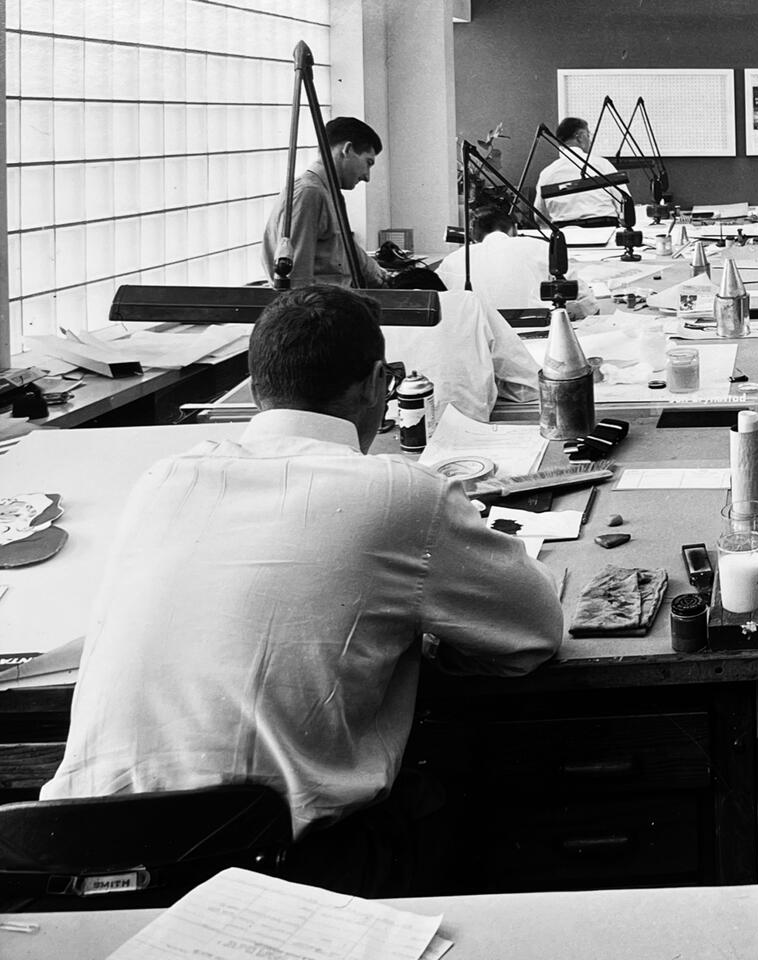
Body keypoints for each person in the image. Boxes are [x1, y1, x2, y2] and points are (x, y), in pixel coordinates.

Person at [41, 285, 562, 893]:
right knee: (461, 795)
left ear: (256, 383)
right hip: (273, 874)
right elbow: (534, 632)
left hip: (88, 867)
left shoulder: (162, 480)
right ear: (377, 383)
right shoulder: (403, 494)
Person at [384, 267, 541, 423]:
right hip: (465, 430)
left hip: (388, 428)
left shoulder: (376, 314)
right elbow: (528, 385)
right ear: (442, 292)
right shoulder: (468, 302)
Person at [261, 116, 390, 288]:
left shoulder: (328, 193)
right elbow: (297, 283)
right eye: (368, 163)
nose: (367, 176)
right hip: (319, 309)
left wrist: (387, 279)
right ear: (348, 149)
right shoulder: (309, 194)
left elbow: (352, 254)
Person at [437, 209, 596, 317]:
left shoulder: (452, 260)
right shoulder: (538, 247)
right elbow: (584, 300)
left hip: (479, 343)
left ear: (473, 236)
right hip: (538, 334)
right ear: (514, 229)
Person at [536, 117, 624, 225]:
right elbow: (624, 203)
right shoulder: (602, 164)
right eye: (588, 135)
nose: (590, 141)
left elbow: (539, 216)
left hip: (566, 236)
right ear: (581, 136)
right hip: (605, 229)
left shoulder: (547, 173)